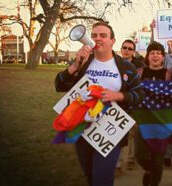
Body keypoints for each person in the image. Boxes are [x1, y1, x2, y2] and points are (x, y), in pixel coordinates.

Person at [54, 21, 144, 186]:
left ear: (112, 41)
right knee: (90, 176)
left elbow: (139, 95)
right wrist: (75, 64)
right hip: (82, 128)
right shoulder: (84, 63)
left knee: (102, 180)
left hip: (111, 129)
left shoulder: (126, 67)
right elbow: (59, 85)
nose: (98, 39)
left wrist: (119, 95)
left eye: (103, 35)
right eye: (94, 35)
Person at [134, 41, 172, 186]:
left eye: (158, 53)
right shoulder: (139, 73)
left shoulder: (169, 74)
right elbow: (133, 93)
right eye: (152, 53)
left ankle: (153, 181)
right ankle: (149, 171)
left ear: (163, 57)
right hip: (142, 122)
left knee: (158, 160)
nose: (155, 56)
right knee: (140, 156)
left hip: (161, 124)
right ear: (148, 56)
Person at [115, 39, 143, 175]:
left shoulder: (140, 66)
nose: (127, 50)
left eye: (130, 48)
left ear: (134, 51)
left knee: (133, 134)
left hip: (134, 105)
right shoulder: (115, 63)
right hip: (118, 105)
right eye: (124, 47)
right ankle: (118, 164)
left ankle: (131, 159)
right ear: (121, 49)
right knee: (118, 135)